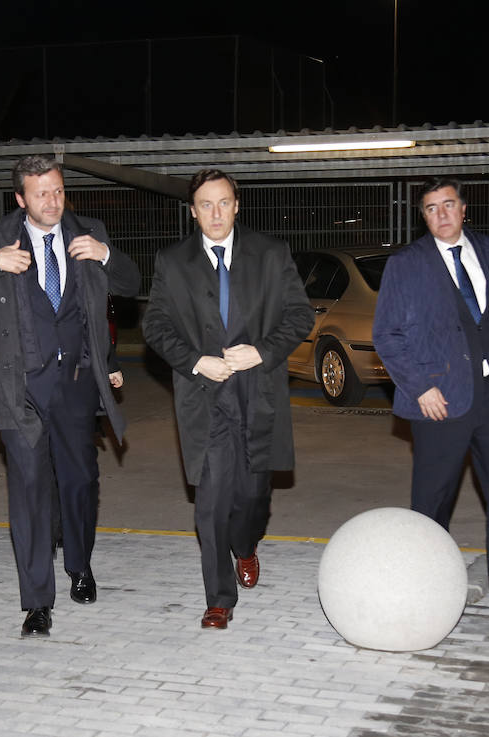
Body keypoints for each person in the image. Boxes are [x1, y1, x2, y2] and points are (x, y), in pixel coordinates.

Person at [0, 154, 140, 637]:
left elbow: (131, 284)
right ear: (20, 198)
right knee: (28, 493)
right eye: (42, 193)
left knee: (80, 483)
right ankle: (37, 603)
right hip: (20, 389)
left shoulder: (89, 230)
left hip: (75, 385)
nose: (53, 202)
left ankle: (81, 565)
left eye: (58, 190)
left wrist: (106, 255)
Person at [142, 169, 313, 629]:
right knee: (212, 498)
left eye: (223, 203)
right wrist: (197, 361)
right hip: (205, 398)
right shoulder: (172, 261)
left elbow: (300, 316)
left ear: (237, 206)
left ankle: (249, 543)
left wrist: (262, 351)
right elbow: (155, 327)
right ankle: (219, 597)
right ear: (193, 211)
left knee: (253, 495)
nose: (215, 213)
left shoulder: (271, 254)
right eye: (205, 205)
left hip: (258, 395)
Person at [373, 176, 489, 621]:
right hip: (440, 400)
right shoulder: (406, 264)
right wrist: (419, 387)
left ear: (463, 208)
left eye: (448, 204)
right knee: (432, 503)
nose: (441, 215)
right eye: (431, 209)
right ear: (423, 215)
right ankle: (419, 593)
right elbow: (387, 335)